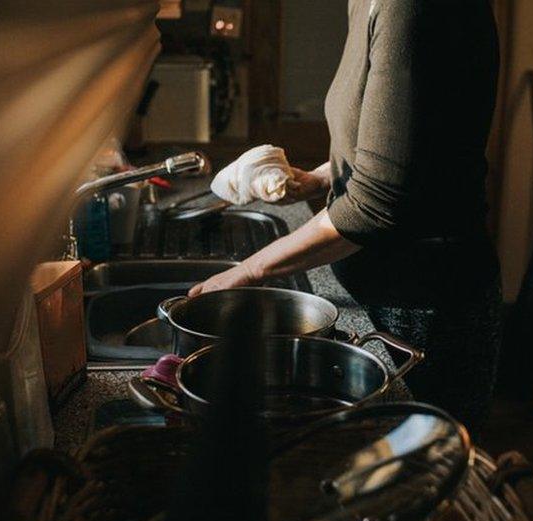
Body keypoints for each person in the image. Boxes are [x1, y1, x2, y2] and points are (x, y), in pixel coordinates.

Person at [189, 0, 501, 427]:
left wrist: (249, 271)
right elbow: (400, 146)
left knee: (416, 477)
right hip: (379, 287)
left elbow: (376, 207)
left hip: (423, 301)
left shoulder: (414, 7)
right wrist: (318, 179)